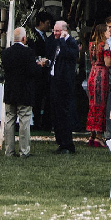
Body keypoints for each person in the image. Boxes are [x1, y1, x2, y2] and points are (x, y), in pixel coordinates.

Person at [45, 20, 85, 155]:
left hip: (65, 84)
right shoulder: (57, 43)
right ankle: (60, 142)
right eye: (54, 31)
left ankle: (68, 143)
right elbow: (57, 59)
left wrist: (62, 40)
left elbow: (69, 55)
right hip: (55, 81)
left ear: (64, 31)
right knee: (56, 114)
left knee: (64, 114)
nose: (54, 33)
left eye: (57, 31)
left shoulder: (71, 43)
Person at [0, 27, 39, 158]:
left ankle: (9, 150)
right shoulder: (29, 53)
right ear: (24, 38)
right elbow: (32, 72)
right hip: (24, 91)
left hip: (10, 90)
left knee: (9, 121)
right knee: (24, 121)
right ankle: (24, 150)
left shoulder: (6, 53)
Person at [83, 26, 111, 147]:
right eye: (106, 30)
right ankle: (99, 136)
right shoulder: (103, 45)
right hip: (101, 75)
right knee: (101, 105)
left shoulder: (91, 45)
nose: (108, 32)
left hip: (92, 73)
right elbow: (107, 63)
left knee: (92, 105)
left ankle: (92, 134)